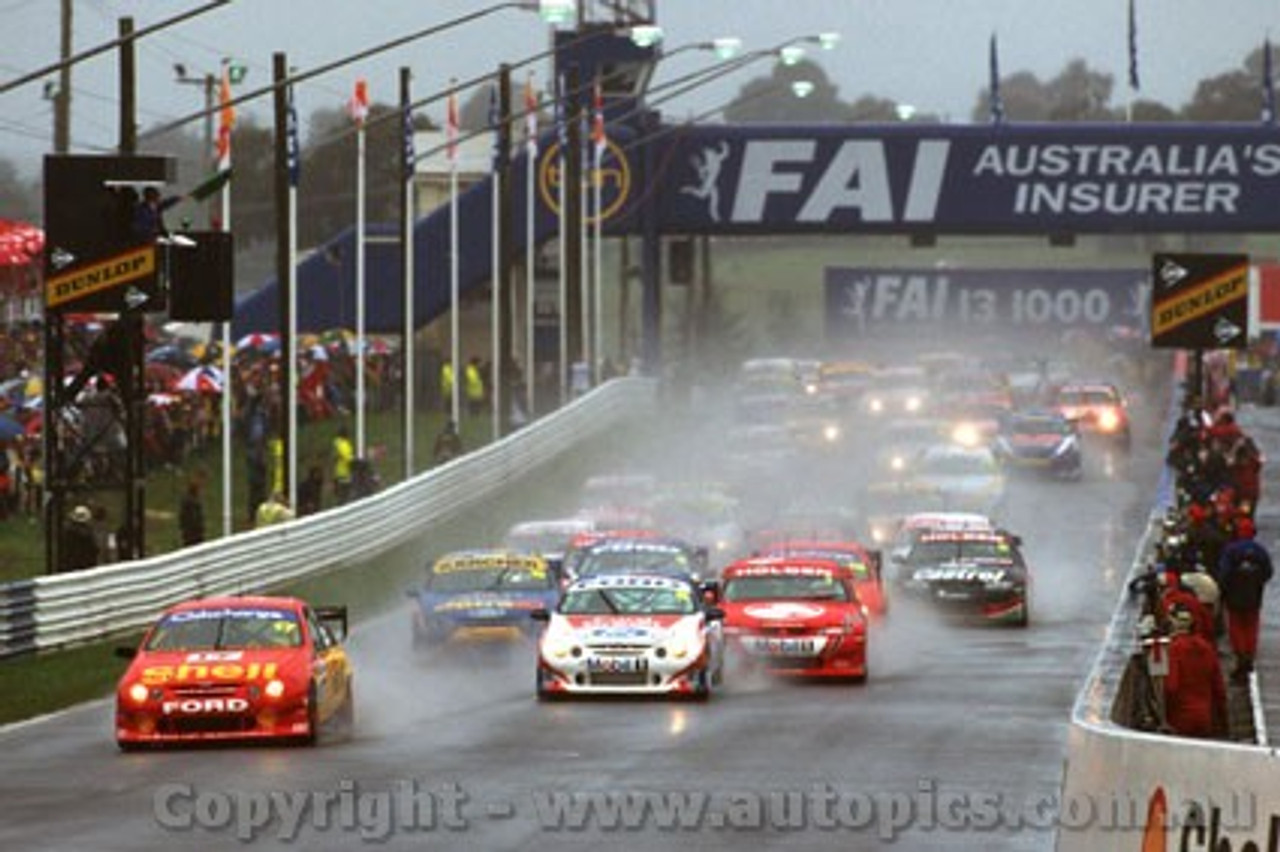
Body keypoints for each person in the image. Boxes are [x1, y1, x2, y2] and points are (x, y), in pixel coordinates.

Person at [1216, 517, 1274, 681]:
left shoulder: (1231, 550)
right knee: (1251, 626)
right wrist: (1257, 582)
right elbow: (1268, 572)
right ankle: (1249, 655)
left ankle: (1241, 655)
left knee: (1236, 627)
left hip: (1234, 597)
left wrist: (1224, 589)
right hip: (1254, 596)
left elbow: (1224, 573)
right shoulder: (1260, 550)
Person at [1162, 604, 1228, 739]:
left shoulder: (1173, 649)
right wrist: (1223, 719)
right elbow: (1218, 687)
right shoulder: (1207, 648)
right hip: (1205, 716)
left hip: (1180, 718)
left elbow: (1171, 686)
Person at [61, 504, 100, 572]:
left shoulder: (69, 532)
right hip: (86, 566)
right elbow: (95, 549)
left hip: (71, 565)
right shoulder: (88, 534)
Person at [178, 480, 205, 547]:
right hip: (193, 534)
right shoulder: (194, 503)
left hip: (189, 533)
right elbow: (196, 518)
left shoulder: (186, 501)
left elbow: (182, 517)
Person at [332, 426, 354, 505]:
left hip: (339, 472)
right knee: (345, 494)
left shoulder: (338, 443)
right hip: (344, 472)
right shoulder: (343, 444)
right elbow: (347, 458)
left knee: (342, 494)